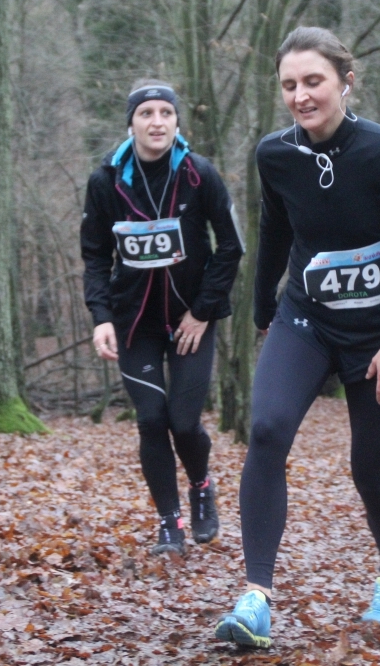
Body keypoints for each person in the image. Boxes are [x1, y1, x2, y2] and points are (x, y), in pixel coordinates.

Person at [213, 27, 380, 648]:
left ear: (346, 81)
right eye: (289, 85)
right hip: (306, 319)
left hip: (379, 334)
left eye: (313, 81)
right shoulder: (275, 154)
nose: (301, 96)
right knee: (266, 430)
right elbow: (275, 233)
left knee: (373, 472)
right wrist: (264, 308)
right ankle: (256, 598)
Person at [81, 81, 244, 555]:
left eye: (166, 113)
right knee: (152, 420)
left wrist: (203, 311)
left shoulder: (198, 174)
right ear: (131, 123)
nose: (157, 122)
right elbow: (95, 255)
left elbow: (230, 247)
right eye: (147, 113)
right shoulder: (106, 180)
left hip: (191, 319)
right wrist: (101, 316)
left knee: (184, 422)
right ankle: (169, 523)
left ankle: (201, 486)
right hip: (136, 322)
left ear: (176, 121)